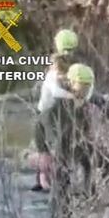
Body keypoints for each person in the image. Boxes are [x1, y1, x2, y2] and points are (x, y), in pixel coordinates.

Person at [35, 63, 109, 218]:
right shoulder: (59, 103)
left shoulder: (86, 98)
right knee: (62, 182)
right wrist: (43, 151)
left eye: (87, 86)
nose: (84, 90)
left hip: (82, 144)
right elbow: (39, 124)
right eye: (81, 86)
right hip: (63, 147)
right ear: (70, 84)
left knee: (108, 166)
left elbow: (101, 103)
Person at [31, 29, 81, 192]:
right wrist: (73, 95)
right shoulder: (55, 73)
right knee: (52, 149)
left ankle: (46, 179)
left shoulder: (58, 70)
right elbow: (55, 92)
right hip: (47, 116)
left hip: (52, 115)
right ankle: (48, 179)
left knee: (49, 149)